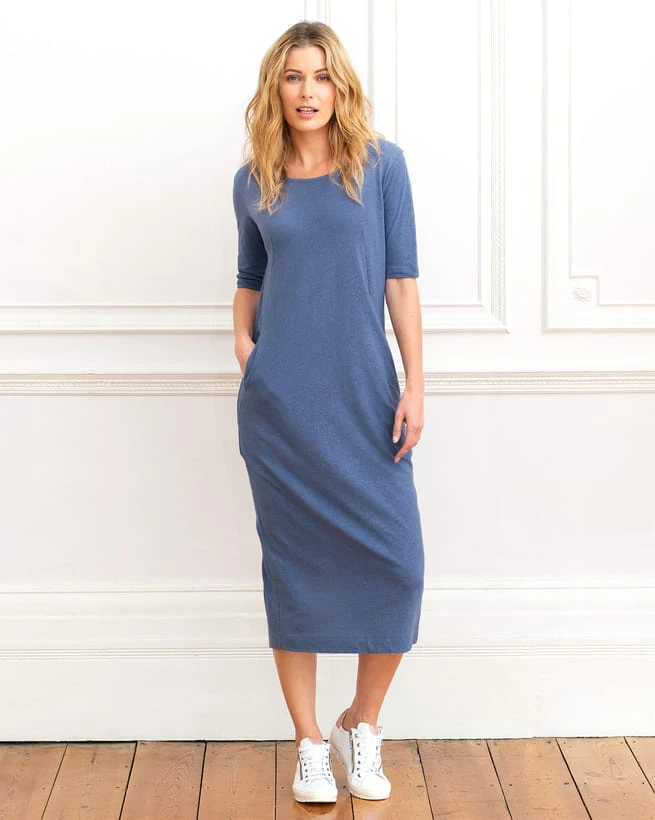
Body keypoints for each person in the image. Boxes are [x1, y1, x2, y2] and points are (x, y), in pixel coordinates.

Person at [231, 20, 425, 804]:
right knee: (294, 572)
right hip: (280, 407)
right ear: (274, 88)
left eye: (320, 77)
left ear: (340, 87)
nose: (307, 92)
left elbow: (401, 280)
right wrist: (245, 346)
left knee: (399, 565)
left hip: (366, 397)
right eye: (292, 77)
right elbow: (249, 274)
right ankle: (310, 743)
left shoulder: (380, 166)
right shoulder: (254, 180)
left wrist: (415, 384)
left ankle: (360, 723)